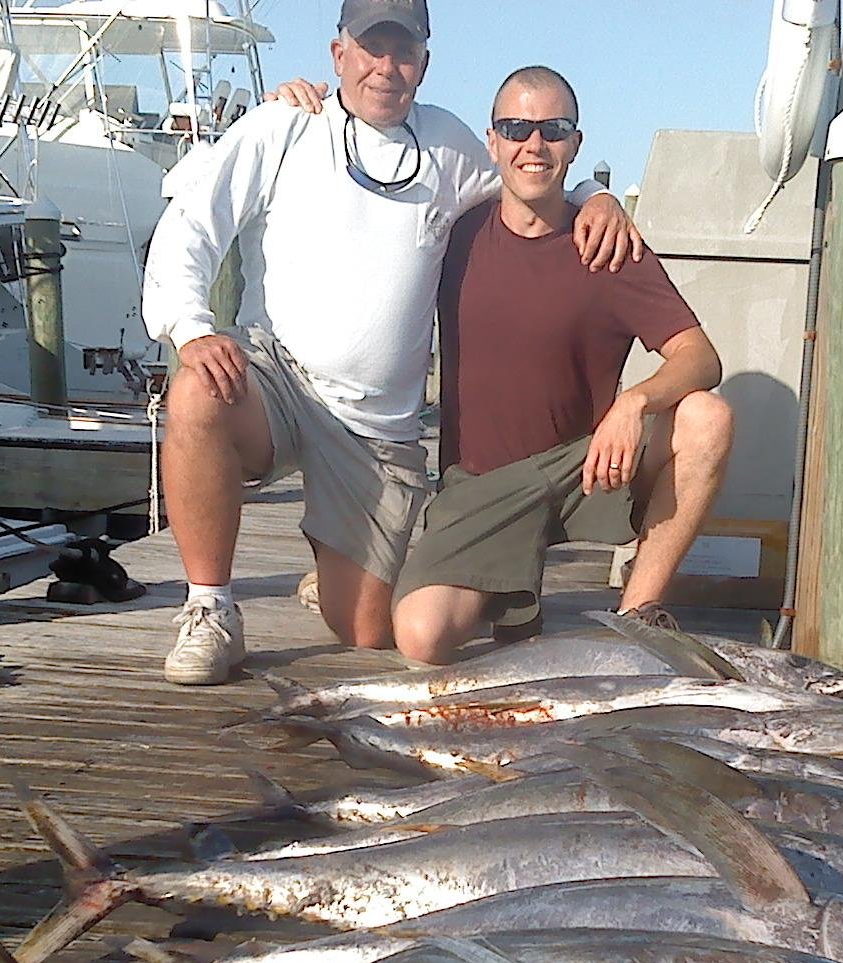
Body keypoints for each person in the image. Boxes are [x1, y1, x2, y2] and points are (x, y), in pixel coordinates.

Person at [140, 0, 640, 686]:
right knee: (197, 388)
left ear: (424, 65)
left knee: (371, 632)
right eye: (370, 48)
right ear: (338, 54)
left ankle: (333, 561)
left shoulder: (449, 144)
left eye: (402, 51)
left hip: (376, 430)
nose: (386, 66)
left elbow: (527, 184)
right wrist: (191, 328)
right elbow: (195, 221)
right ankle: (211, 609)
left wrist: (593, 195)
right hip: (279, 379)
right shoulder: (286, 124)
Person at [389, 66, 735, 663]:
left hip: (585, 470)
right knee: (422, 638)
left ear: (575, 144)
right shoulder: (454, 235)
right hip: (482, 485)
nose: (534, 144)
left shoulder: (608, 244)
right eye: (517, 127)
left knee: (707, 417)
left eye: (554, 129)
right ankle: (510, 589)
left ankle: (639, 619)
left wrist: (635, 402)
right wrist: (302, 110)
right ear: (492, 141)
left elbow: (700, 357)